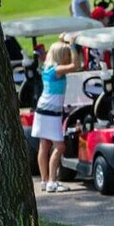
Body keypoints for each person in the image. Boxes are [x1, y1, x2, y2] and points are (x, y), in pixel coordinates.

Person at [32, 37, 82, 193]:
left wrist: (63, 41)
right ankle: (52, 181)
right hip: (51, 112)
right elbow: (77, 65)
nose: (69, 57)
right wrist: (73, 46)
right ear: (62, 56)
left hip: (43, 110)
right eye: (66, 54)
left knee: (44, 145)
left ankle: (45, 180)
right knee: (60, 146)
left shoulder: (48, 68)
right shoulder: (57, 70)